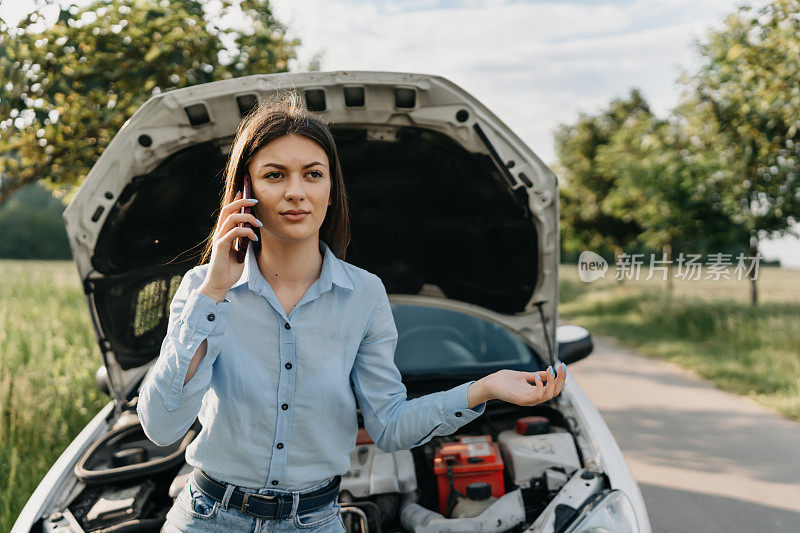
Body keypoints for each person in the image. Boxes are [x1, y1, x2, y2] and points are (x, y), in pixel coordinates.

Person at [138, 91, 568, 532]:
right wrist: (215, 291)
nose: (295, 192)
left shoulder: (364, 295)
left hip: (315, 520)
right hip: (207, 518)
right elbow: (162, 425)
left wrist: (483, 388)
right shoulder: (201, 289)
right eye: (274, 175)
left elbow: (390, 426)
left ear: (330, 189)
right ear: (245, 192)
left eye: (312, 174)